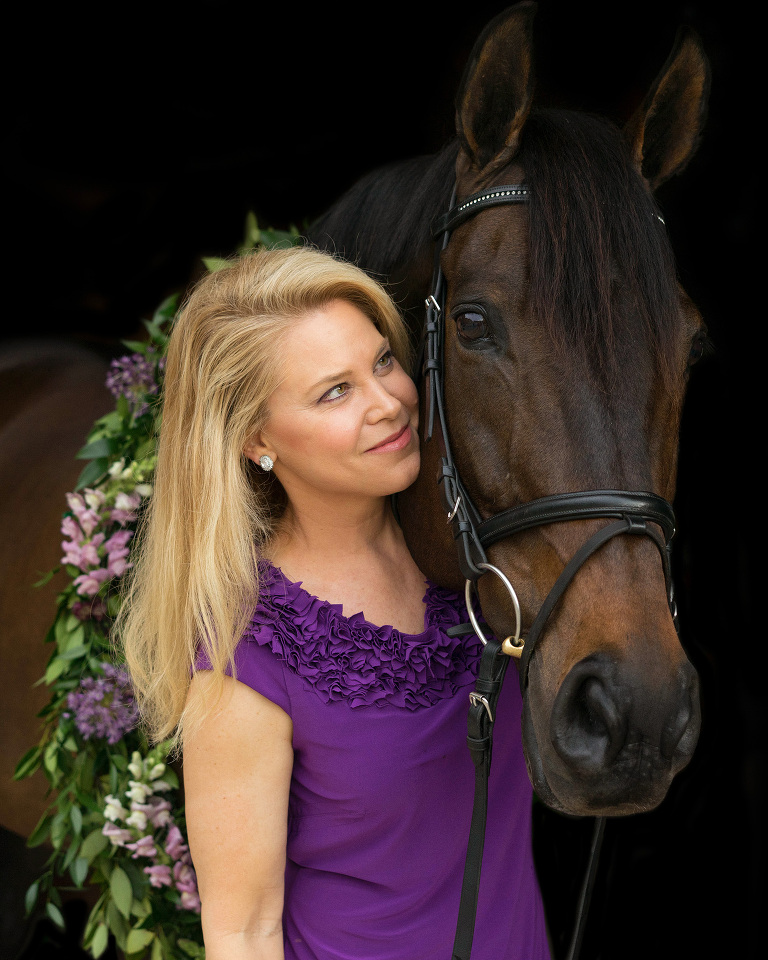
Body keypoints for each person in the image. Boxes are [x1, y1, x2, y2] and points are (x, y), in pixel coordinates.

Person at [120, 245, 550, 960]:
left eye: (383, 361)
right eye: (335, 392)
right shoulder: (247, 650)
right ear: (255, 439)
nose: (389, 402)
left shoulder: (474, 562)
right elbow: (243, 933)